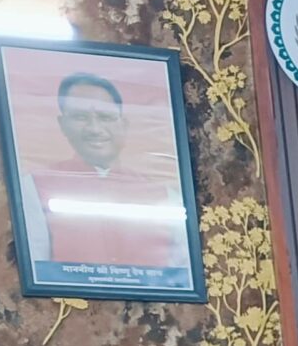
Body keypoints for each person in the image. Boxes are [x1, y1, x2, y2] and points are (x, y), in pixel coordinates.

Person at [16, 70, 189, 269]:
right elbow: (35, 268)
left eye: (105, 117)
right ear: (63, 125)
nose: (95, 129)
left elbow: (181, 275)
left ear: (123, 125)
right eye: (80, 117)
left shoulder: (165, 197)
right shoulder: (34, 189)